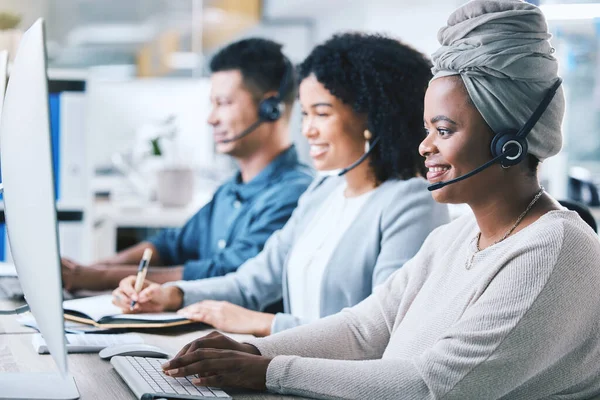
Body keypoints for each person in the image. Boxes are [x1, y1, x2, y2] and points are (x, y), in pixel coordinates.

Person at [151, 1, 600, 399]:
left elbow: (431, 386)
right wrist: (250, 349)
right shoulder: (457, 238)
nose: (424, 146)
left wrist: (267, 370)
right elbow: (367, 327)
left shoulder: (554, 249)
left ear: (510, 143)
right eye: (427, 129)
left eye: (443, 131)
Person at [112, 33, 450, 336]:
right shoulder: (324, 191)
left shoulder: (410, 202)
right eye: (304, 114)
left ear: (373, 116)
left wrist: (267, 324)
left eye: (321, 113)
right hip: (288, 368)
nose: (307, 130)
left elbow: (381, 329)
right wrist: (174, 294)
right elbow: (251, 282)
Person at [61, 38, 314, 292]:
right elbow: (171, 245)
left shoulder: (293, 194)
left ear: (270, 108)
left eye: (224, 103)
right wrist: (94, 268)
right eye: (212, 104)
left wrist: (97, 278)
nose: (211, 118)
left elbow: (224, 275)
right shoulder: (230, 191)